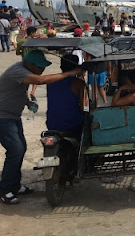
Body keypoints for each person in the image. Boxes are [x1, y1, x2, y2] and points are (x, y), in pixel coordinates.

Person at [0, 49, 81, 204]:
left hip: (13, 116)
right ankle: (5, 189)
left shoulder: (22, 71)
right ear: (30, 65)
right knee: (15, 149)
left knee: (20, 149)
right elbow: (42, 80)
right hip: (3, 117)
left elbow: (19, 90)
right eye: (40, 67)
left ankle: (14, 185)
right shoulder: (18, 70)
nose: (42, 69)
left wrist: (28, 103)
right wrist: (70, 74)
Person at [46, 54, 86, 139]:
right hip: (72, 125)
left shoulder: (50, 82)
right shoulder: (79, 84)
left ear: (61, 66)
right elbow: (84, 108)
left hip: (52, 124)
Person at [16, 26, 39, 99]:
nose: (36, 34)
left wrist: (23, 53)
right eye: (35, 33)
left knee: (26, 78)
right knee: (36, 77)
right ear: (32, 33)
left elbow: (17, 53)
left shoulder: (21, 42)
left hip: (25, 62)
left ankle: (26, 94)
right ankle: (32, 92)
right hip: (34, 62)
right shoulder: (35, 42)